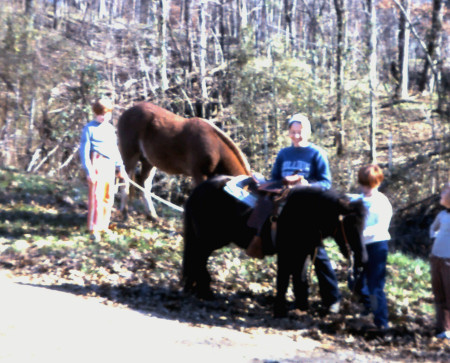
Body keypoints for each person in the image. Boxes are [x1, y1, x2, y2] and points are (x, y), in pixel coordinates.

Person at [248, 113, 339, 313]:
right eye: (293, 132)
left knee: (317, 252)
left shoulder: (317, 154)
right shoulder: (283, 154)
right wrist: (280, 182)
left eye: (300, 132)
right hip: (284, 206)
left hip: (308, 208)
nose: (296, 136)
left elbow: (326, 183)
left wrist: (306, 184)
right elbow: (274, 178)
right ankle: (258, 242)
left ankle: (332, 299)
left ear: (307, 132)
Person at [351, 164, 392, 331]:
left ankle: (381, 321)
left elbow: (381, 226)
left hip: (376, 246)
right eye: (363, 184)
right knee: (356, 283)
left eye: (370, 185)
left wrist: (361, 233)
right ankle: (367, 308)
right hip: (359, 248)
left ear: (377, 183)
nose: (366, 188)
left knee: (375, 286)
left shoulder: (381, 202)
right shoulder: (356, 200)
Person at [79, 98, 125, 242]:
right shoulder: (89, 129)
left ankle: (104, 225)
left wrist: (120, 167)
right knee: (97, 198)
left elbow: (114, 150)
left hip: (110, 165)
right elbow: (84, 151)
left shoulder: (110, 129)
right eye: (100, 114)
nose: (103, 117)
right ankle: (94, 228)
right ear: (95, 113)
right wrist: (89, 171)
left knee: (108, 197)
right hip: (97, 162)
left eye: (106, 114)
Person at [429, 182, 450, 339]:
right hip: (436, 258)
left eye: (445, 191)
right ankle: (442, 328)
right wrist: (435, 237)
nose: (442, 194)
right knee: (439, 294)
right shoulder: (442, 215)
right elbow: (433, 228)